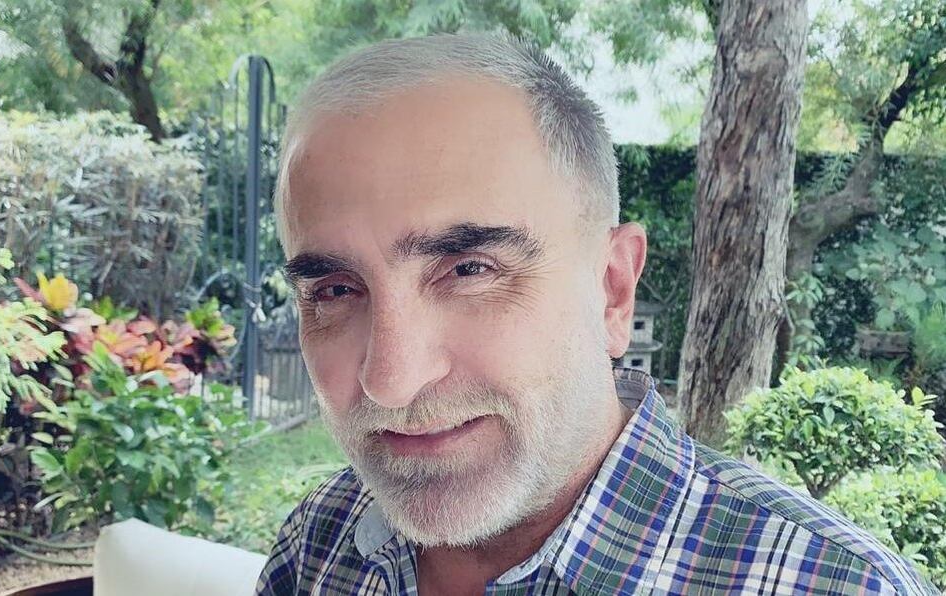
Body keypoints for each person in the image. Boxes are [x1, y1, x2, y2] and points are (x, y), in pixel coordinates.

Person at [255, 32, 936, 596]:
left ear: (612, 290)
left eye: (469, 270)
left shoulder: (833, 584)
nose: (391, 381)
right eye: (335, 290)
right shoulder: (322, 540)